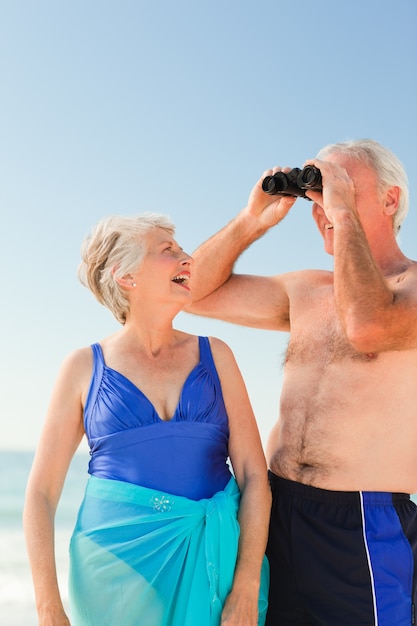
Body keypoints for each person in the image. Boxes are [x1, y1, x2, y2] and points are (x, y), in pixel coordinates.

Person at [186, 139, 417, 626]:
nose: (324, 205)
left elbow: (367, 325)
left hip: (361, 527)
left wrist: (342, 211)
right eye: (318, 191)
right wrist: (252, 221)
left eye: (343, 187)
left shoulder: (410, 289)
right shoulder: (307, 289)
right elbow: (190, 293)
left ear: (391, 200)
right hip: (275, 507)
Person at [23, 213, 271, 626]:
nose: (187, 257)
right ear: (126, 277)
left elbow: (253, 476)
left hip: (215, 562)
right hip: (116, 570)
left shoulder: (218, 355)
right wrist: (49, 607)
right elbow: (41, 493)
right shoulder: (83, 367)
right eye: (167, 250)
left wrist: (245, 585)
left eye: (181, 248)